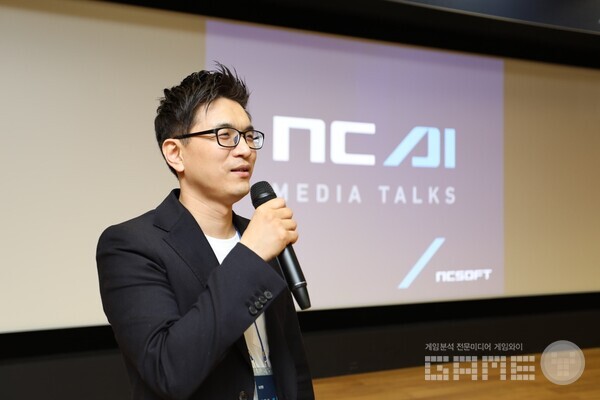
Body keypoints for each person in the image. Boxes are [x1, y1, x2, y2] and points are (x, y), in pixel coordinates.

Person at [96, 64, 315, 400]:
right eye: (225, 136)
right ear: (175, 153)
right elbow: (168, 369)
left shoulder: (259, 236)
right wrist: (250, 255)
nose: (245, 150)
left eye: (249, 136)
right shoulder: (130, 245)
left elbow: (292, 364)